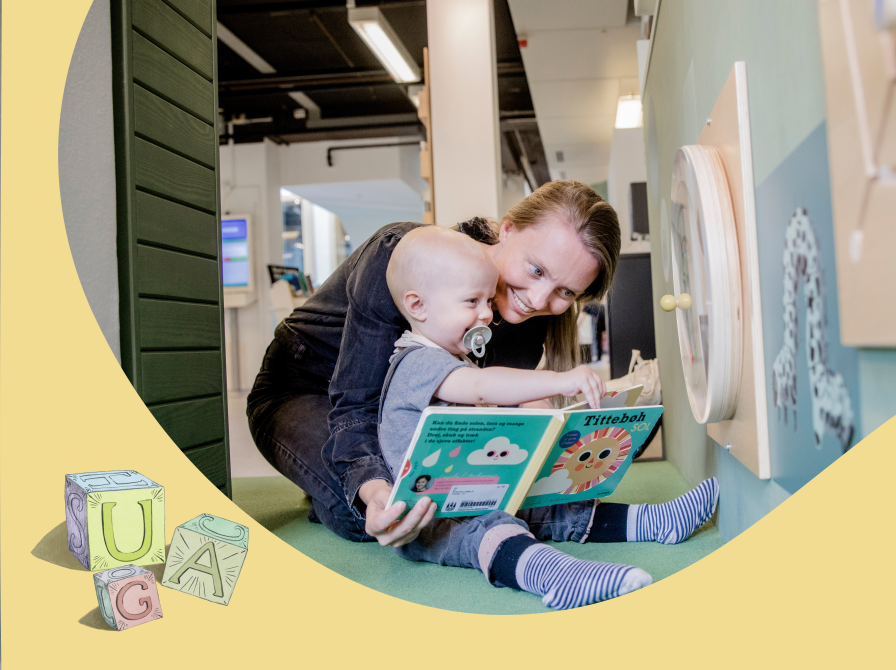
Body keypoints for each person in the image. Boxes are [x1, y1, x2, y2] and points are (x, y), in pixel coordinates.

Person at [247, 181, 718, 591]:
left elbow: (499, 410)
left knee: (482, 488)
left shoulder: (529, 317)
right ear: (507, 229)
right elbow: (356, 406)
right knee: (378, 513)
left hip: (401, 422)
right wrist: (371, 491)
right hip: (301, 390)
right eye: (536, 270)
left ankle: (637, 521)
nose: (538, 299)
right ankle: (330, 492)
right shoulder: (403, 259)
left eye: (566, 292)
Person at [379, 225, 657, 609]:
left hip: (471, 495)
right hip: (428, 518)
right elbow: (482, 387)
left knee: (548, 505)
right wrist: (560, 379)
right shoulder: (417, 362)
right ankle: (557, 576)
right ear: (418, 306)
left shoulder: (449, 358)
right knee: (496, 529)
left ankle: (651, 521)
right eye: (472, 301)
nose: (485, 313)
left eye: (486, 301)